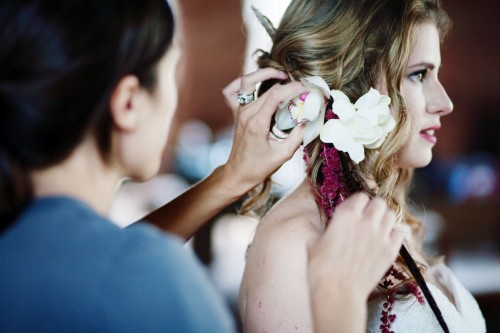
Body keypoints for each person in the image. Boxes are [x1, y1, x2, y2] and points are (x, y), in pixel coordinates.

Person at [0, 0, 403, 332]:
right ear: (128, 104)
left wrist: (232, 177)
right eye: (172, 74)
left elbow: (88, 268)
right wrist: (340, 307)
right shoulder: (151, 276)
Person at [239, 0, 487, 332]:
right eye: (418, 74)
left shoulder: (393, 216)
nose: (445, 103)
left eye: (435, 74)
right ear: (350, 85)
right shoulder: (292, 242)